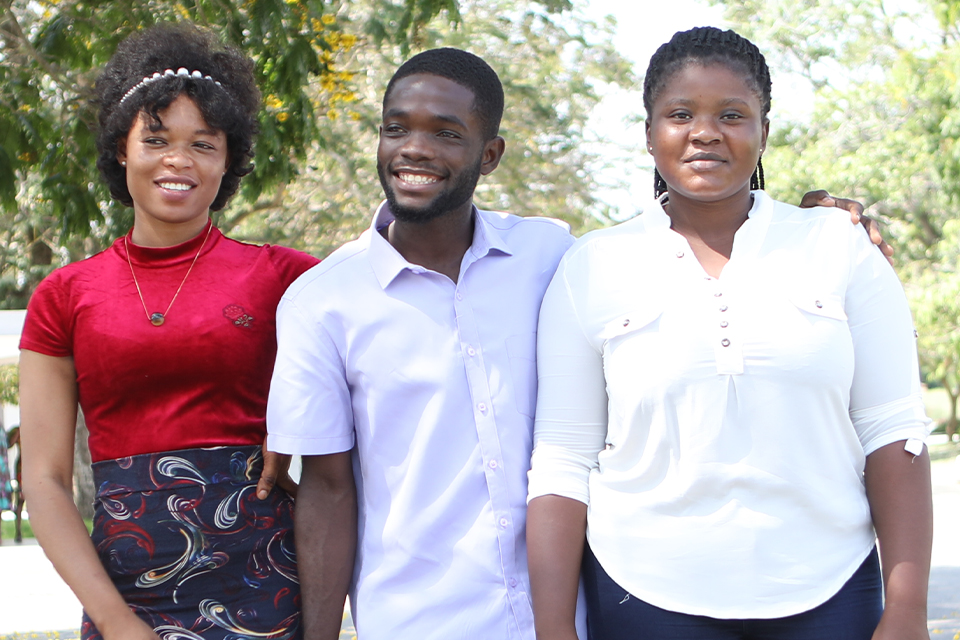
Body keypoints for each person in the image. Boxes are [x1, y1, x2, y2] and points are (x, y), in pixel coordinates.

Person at [265, 46, 889, 640]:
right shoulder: (323, 302)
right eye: (396, 129)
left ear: (490, 154)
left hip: (577, 610)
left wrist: (811, 228)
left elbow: (678, 251)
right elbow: (326, 489)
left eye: (447, 133)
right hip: (417, 618)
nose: (415, 149)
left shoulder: (553, 256)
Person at [526, 26, 932, 640]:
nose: (706, 132)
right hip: (644, 592)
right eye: (680, 114)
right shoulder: (592, 265)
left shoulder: (839, 247)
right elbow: (563, 459)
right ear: (648, 134)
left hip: (830, 590)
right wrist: (554, 627)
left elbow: (893, 429)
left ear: (764, 132)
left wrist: (907, 611)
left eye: (732, 115)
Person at [19, 23, 317, 640]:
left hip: (264, 592)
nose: (178, 160)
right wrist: (114, 621)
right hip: (126, 601)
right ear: (121, 149)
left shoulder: (290, 278)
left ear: (229, 160)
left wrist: (299, 428)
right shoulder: (64, 296)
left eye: (203, 144)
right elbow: (44, 481)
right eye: (155, 139)